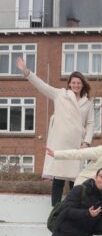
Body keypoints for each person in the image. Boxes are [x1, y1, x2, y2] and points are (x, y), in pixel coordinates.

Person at [16, 57, 94, 206]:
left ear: (83, 84)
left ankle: (73, 207)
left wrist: (86, 142)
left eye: (79, 82)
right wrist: (26, 72)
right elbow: (42, 86)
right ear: (69, 84)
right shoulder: (60, 94)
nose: (76, 85)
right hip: (61, 142)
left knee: (75, 180)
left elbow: (90, 124)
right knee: (58, 178)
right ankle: (55, 209)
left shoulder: (88, 102)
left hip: (77, 145)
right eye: (73, 82)